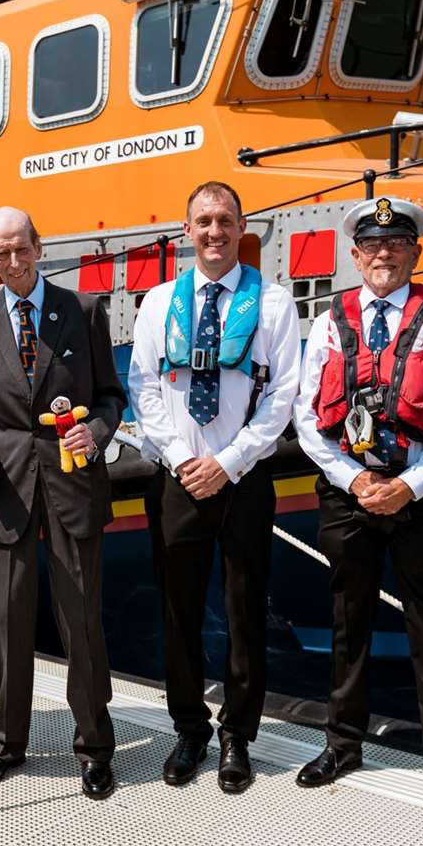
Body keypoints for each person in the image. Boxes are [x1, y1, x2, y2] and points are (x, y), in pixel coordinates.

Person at [291, 197, 423, 822]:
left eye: (396, 243)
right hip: (349, 495)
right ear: (355, 255)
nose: (383, 253)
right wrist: (352, 480)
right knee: (349, 619)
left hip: (416, 495)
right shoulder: (326, 324)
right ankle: (343, 743)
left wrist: (413, 484)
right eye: (372, 245)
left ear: (415, 253)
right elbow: (305, 414)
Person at [127, 180, 299, 794]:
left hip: (243, 478)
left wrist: (229, 461)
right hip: (178, 478)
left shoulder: (275, 304)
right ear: (187, 228)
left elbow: (282, 395)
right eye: (203, 220)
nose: (214, 232)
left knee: (245, 609)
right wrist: (180, 458)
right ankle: (189, 728)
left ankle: (237, 737)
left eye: (225, 220)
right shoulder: (157, 303)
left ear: (241, 226)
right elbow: (145, 387)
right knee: (178, 612)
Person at [0, 207, 126, 800]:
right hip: (6, 488)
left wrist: (96, 434)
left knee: (80, 618)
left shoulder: (82, 312)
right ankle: (8, 741)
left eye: (21, 248)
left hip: (74, 481)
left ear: (38, 245)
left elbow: (109, 397)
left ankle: (94, 743)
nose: (13, 261)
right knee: (7, 620)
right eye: (0, 253)